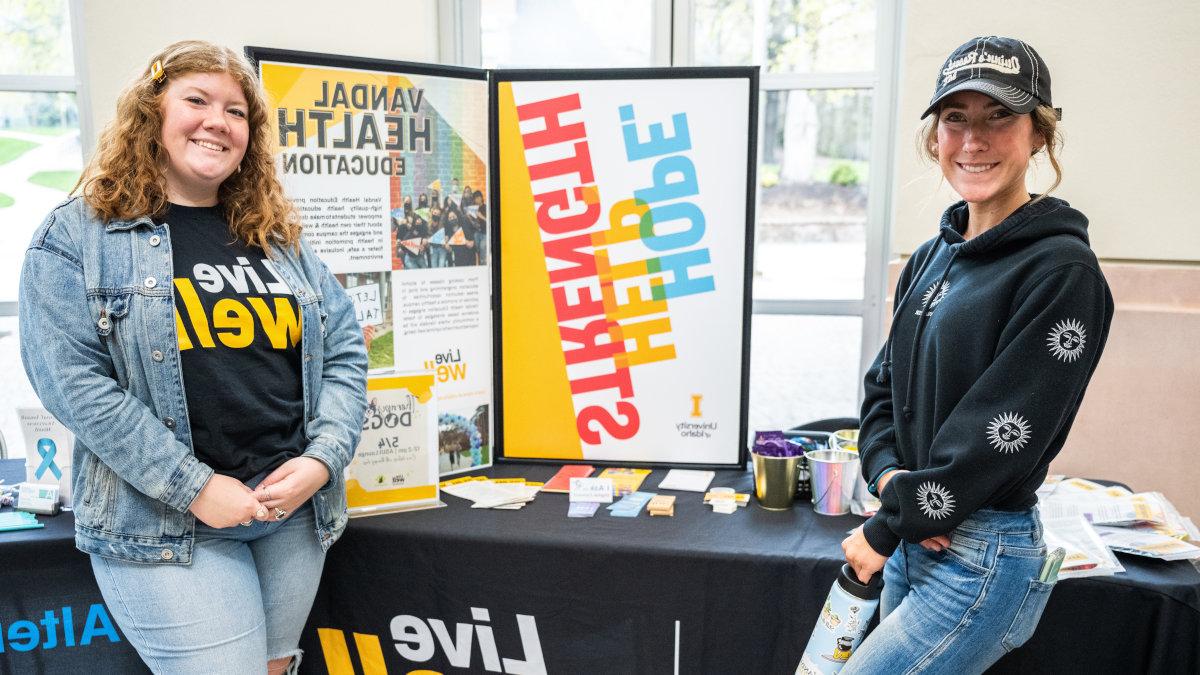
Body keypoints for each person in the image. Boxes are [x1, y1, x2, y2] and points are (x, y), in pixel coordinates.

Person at [18, 40, 368, 674]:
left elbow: (344, 350)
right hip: (165, 523)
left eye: (237, 112)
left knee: (272, 668)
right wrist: (196, 486)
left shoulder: (276, 238)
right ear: (152, 112)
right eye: (197, 101)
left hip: (287, 512)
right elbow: (73, 385)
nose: (218, 122)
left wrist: (324, 458)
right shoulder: (76, 236)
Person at [840, 36, 1113, 673]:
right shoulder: (931, 256)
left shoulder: (1062, 272)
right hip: (916, 531)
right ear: (935, 136)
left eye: (999, 117)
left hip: (979, 556)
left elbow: (1000, 435)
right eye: (955, 118)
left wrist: (886, 527)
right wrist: (893, 489)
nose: (973, 139)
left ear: (1040, 134)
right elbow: (883, 392)